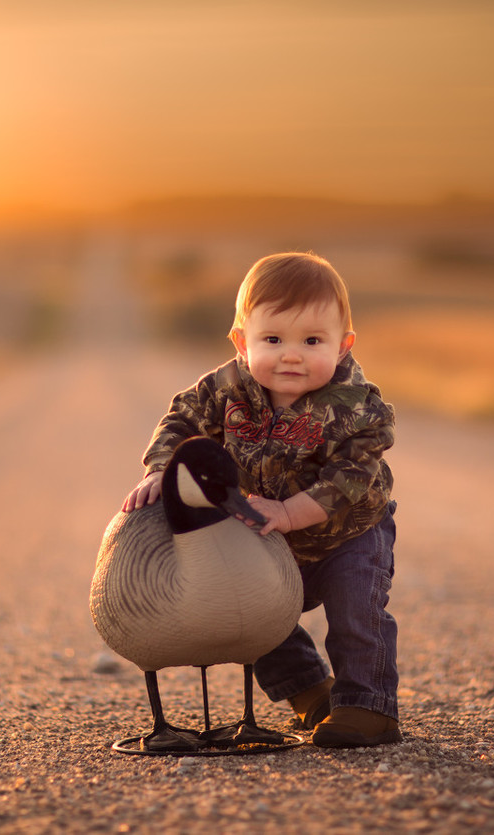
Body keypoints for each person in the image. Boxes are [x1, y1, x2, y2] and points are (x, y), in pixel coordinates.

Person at [122, 251, 401, 748]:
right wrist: (162, 467)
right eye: (272, 339)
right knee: (252, 612)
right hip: (268, 529)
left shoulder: (355, 404)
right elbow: (181, 422)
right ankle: (311, 691)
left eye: (312, 341)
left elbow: (353, 474)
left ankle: (367, 705)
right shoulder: (226, 388)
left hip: (348, 534)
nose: (291, 355)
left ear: (343, 346)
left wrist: (294, 512)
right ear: (241, 341)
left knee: (355, 612)